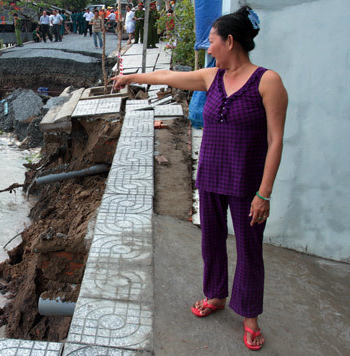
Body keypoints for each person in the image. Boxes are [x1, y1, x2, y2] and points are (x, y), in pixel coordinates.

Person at [113, 6, 287, 352]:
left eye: (211, 42)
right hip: (209, 175)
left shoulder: (268, 81)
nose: (208, 48)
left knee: (249, 250)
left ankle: (249, 316)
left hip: (246, 182)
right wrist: (131, 78)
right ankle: (216, 294)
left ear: (230, 41)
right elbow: (166, 76)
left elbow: (276, 140)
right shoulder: (212, 77)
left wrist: (264, 193)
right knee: (211, 241)